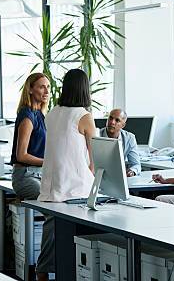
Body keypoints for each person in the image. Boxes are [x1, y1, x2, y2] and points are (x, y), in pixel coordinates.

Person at [36, 69, 97, 281]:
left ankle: (43, 271)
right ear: (85, 89)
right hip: (75, 188)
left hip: (52, 186)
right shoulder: (84, 116)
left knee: (52, 229)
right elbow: (95, 157)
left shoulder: (52, 113)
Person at [10, 73, 50, 201]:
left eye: (48, 87)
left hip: (40, 174)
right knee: (50, 201)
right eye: (42, 87)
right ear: (30, 90)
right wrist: (49, 162)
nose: (47, 91)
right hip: (25, 176)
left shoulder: (40, 114)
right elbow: (21, 156)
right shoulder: (27, 116)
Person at [99, 108, 141, 177]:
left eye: (117, 120)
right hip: (98, 175)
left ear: (123, 125)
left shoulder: (129, 138)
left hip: (118, 176)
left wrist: (132, 171)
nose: (112, 122)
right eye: (110, 118)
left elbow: (136, 164)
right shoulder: (96, 135)